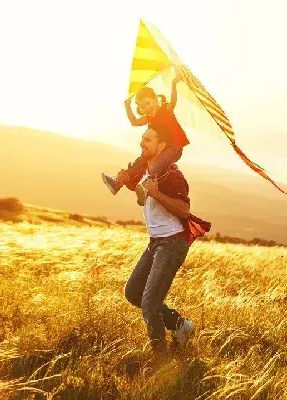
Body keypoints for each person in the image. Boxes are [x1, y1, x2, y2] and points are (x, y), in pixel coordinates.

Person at [120, 127, 211, 356]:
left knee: (150, 303)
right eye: (142, 138)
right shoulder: (146, 171)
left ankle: (159, 358)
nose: (142, 142)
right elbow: (145, 201)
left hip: (172, 243)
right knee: (133, 292)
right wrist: (130, 184)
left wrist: (157, 193)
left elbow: (184, 209)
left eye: (148, 139)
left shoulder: (172, 174)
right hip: (155, 243)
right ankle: (181, 325)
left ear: (162, 146)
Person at [102, 70, 191, 205]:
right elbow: (134, 122)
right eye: (143, 107)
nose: (147, 108)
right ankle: (117, 183)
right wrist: (127, 106)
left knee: (154, 167)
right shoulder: (149, 118)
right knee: (140, 161)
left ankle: (144, 191)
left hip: (174, 148)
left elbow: (173, 102)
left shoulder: (165, 110)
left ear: (155, 99)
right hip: (160, 149)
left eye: (148, 103)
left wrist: (174, 83)